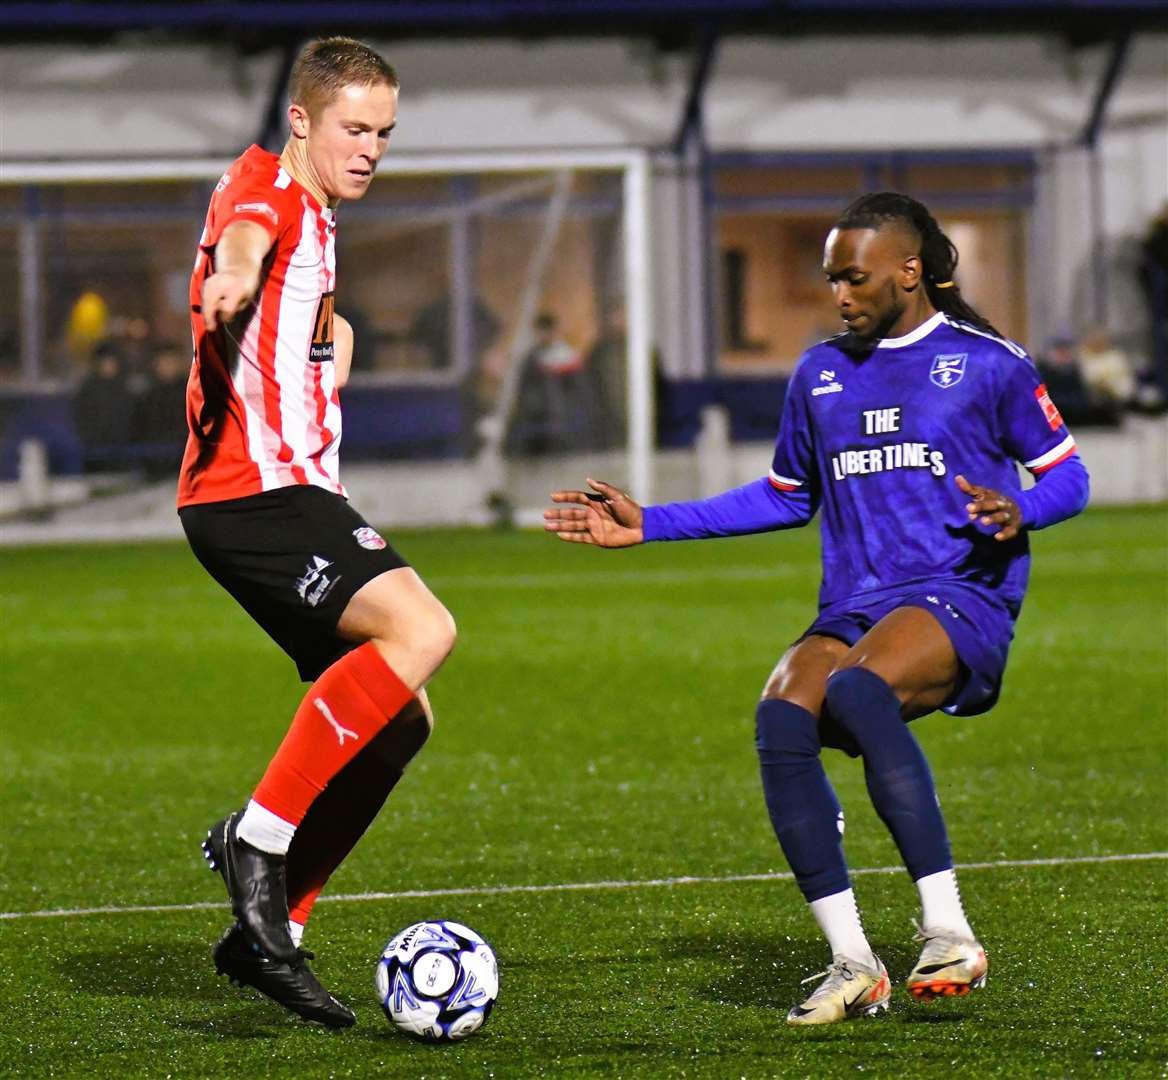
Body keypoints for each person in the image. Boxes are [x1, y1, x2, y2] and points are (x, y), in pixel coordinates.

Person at [544, 192, 1089, 1026]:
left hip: (960, 595)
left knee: (859, 691)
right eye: (832, 278)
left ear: (910, 272)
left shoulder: (988, 363)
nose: (839, 294)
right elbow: (783, 495)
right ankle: (852, 961)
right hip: (857, 602)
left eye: (854, 277)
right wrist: (651, 524)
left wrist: (1024, 511)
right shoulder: (821, 372)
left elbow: (1069, 477)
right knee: (782, 714)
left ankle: (949, 932)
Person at [177, 37, 455, 1029]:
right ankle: (254, 843)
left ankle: (272, 930)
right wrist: (233, 279)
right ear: (300, 120)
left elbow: (296, 329)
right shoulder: (263, 189)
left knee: (403, 718)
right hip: (251, 493)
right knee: (423, 632)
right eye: (354, 128)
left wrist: (330, 352)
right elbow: (245, 236)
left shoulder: (323, 219)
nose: (371, 147)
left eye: (384, 131)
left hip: (279, 491)